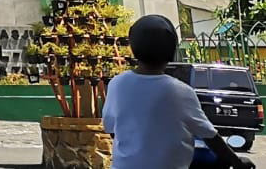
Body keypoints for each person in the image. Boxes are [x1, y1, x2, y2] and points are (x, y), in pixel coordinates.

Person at [102, 14, 254, 169]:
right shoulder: (180, 91)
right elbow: (210, 136)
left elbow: (111, 129)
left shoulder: (117, 84)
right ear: (172, 48)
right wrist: (237, 162)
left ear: (133, 47)